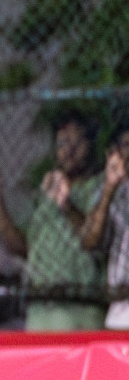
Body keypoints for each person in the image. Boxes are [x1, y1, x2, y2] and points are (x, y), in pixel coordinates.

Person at [0, 112, 106, 331]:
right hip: (40, 309)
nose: (69, 150)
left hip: (81, 308)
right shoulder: (43, 196)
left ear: (90, 144)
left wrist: (66, 205)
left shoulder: (99, 189)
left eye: (76, 142)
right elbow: (20, 247)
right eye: (62, 142)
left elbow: (94, 238)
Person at [81, 125, 129, 330]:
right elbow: (91, 240)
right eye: (126, 145)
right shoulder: (107, 190)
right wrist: (110, 187)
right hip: (122, 311)